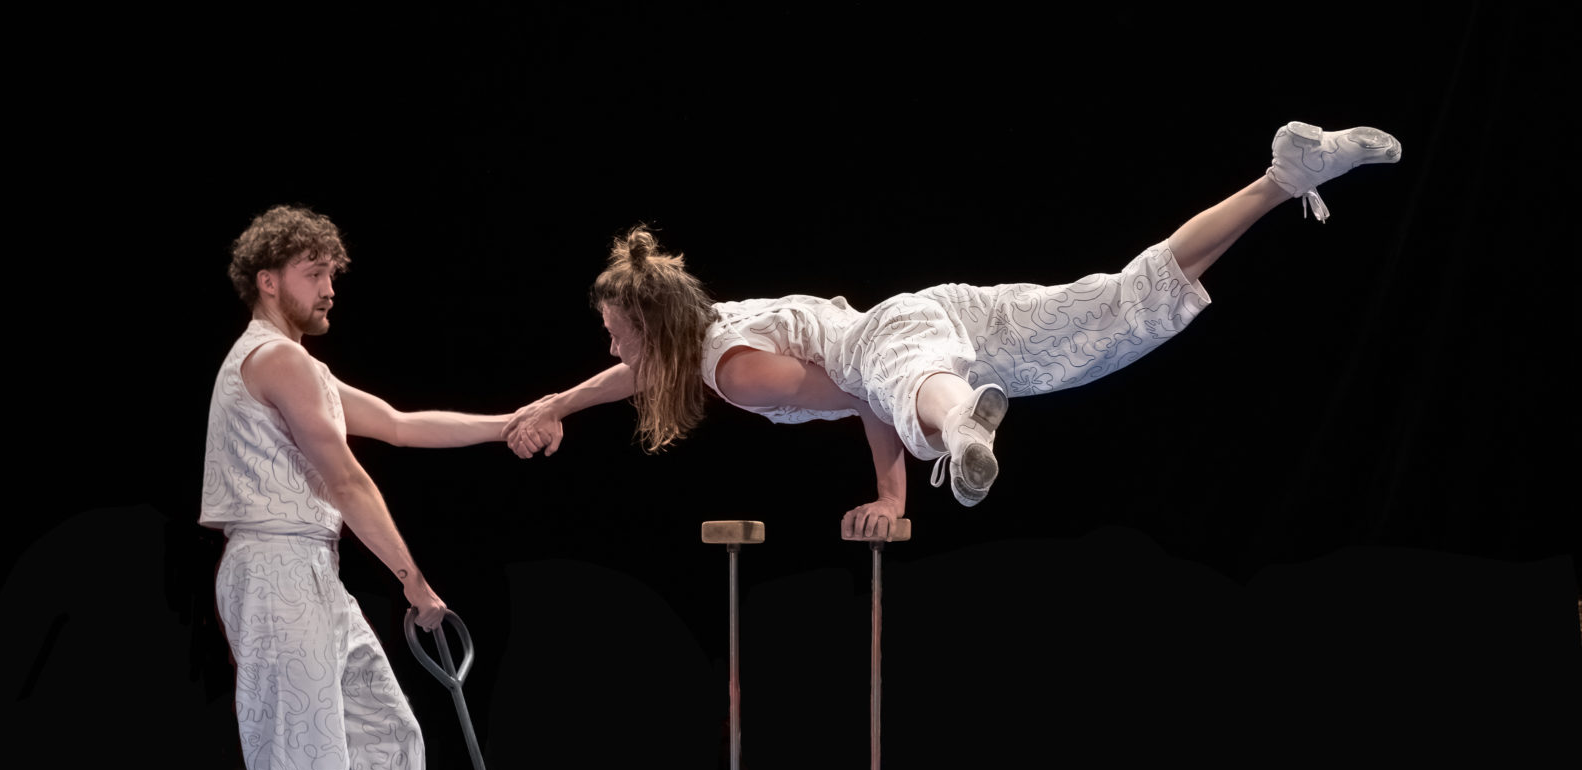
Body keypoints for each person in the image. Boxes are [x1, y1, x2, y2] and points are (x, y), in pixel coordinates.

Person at [503, 122, 1402, 537]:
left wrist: (894, 499)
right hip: (958, 314)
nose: (613, 350)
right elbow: (635, 373)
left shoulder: (733, 371)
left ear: (654, 327)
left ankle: (964, 423)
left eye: (617, 331)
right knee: (1130, 301)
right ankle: (1283, 180)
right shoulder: (709, 322)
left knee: (906, 384)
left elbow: (863, 388)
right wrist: (561, 399)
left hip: (897, 342)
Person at [202, 204, 511, 770]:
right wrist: (413, 577)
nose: (331, 286)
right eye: (315, 272)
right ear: (268, 281)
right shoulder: (272, 359)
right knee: (305, 753)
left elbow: (402, 425)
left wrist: (513, 420)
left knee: (387, 731)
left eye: (333, 272)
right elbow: (345, 474)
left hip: (313, 567)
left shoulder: (306, 368)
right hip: (274, 564)